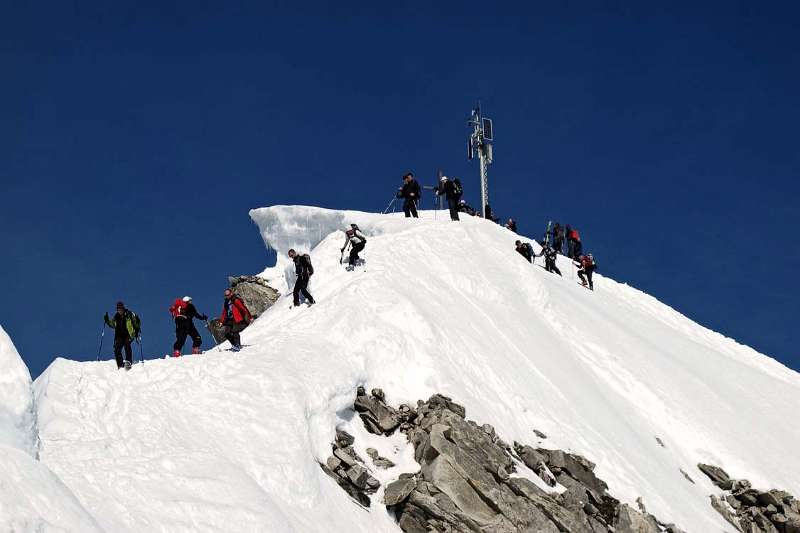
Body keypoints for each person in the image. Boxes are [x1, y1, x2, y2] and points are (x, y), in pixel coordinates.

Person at [104, 301, 141, 370]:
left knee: (127, 345)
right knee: (117, 349)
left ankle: (128, 362)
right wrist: (107, 320)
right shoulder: (116, 317)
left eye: (121, 309)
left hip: (128, 334)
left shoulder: (129, 314)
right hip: (119, 336)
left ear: (123, 308)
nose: (120, 310)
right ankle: (120, 365)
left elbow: (136, 323)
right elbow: (112, 324)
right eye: (118, 309)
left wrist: (138, 325)